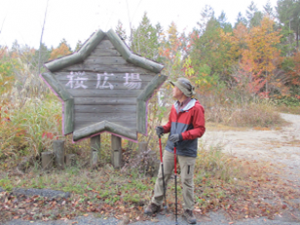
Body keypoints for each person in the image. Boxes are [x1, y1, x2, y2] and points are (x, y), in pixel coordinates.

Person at [144, 77, 206, 224]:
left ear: (182, 91)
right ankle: (155, 204)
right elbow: (171, 124)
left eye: (175, 87)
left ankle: (188, 210)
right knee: (162, 175)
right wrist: (163, 129)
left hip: (187, 150)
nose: (173, 89)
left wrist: (182, 136)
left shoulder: (196, 108)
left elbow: (200, 130)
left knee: (187, 180)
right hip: (171, 148)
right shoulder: (174, 106)